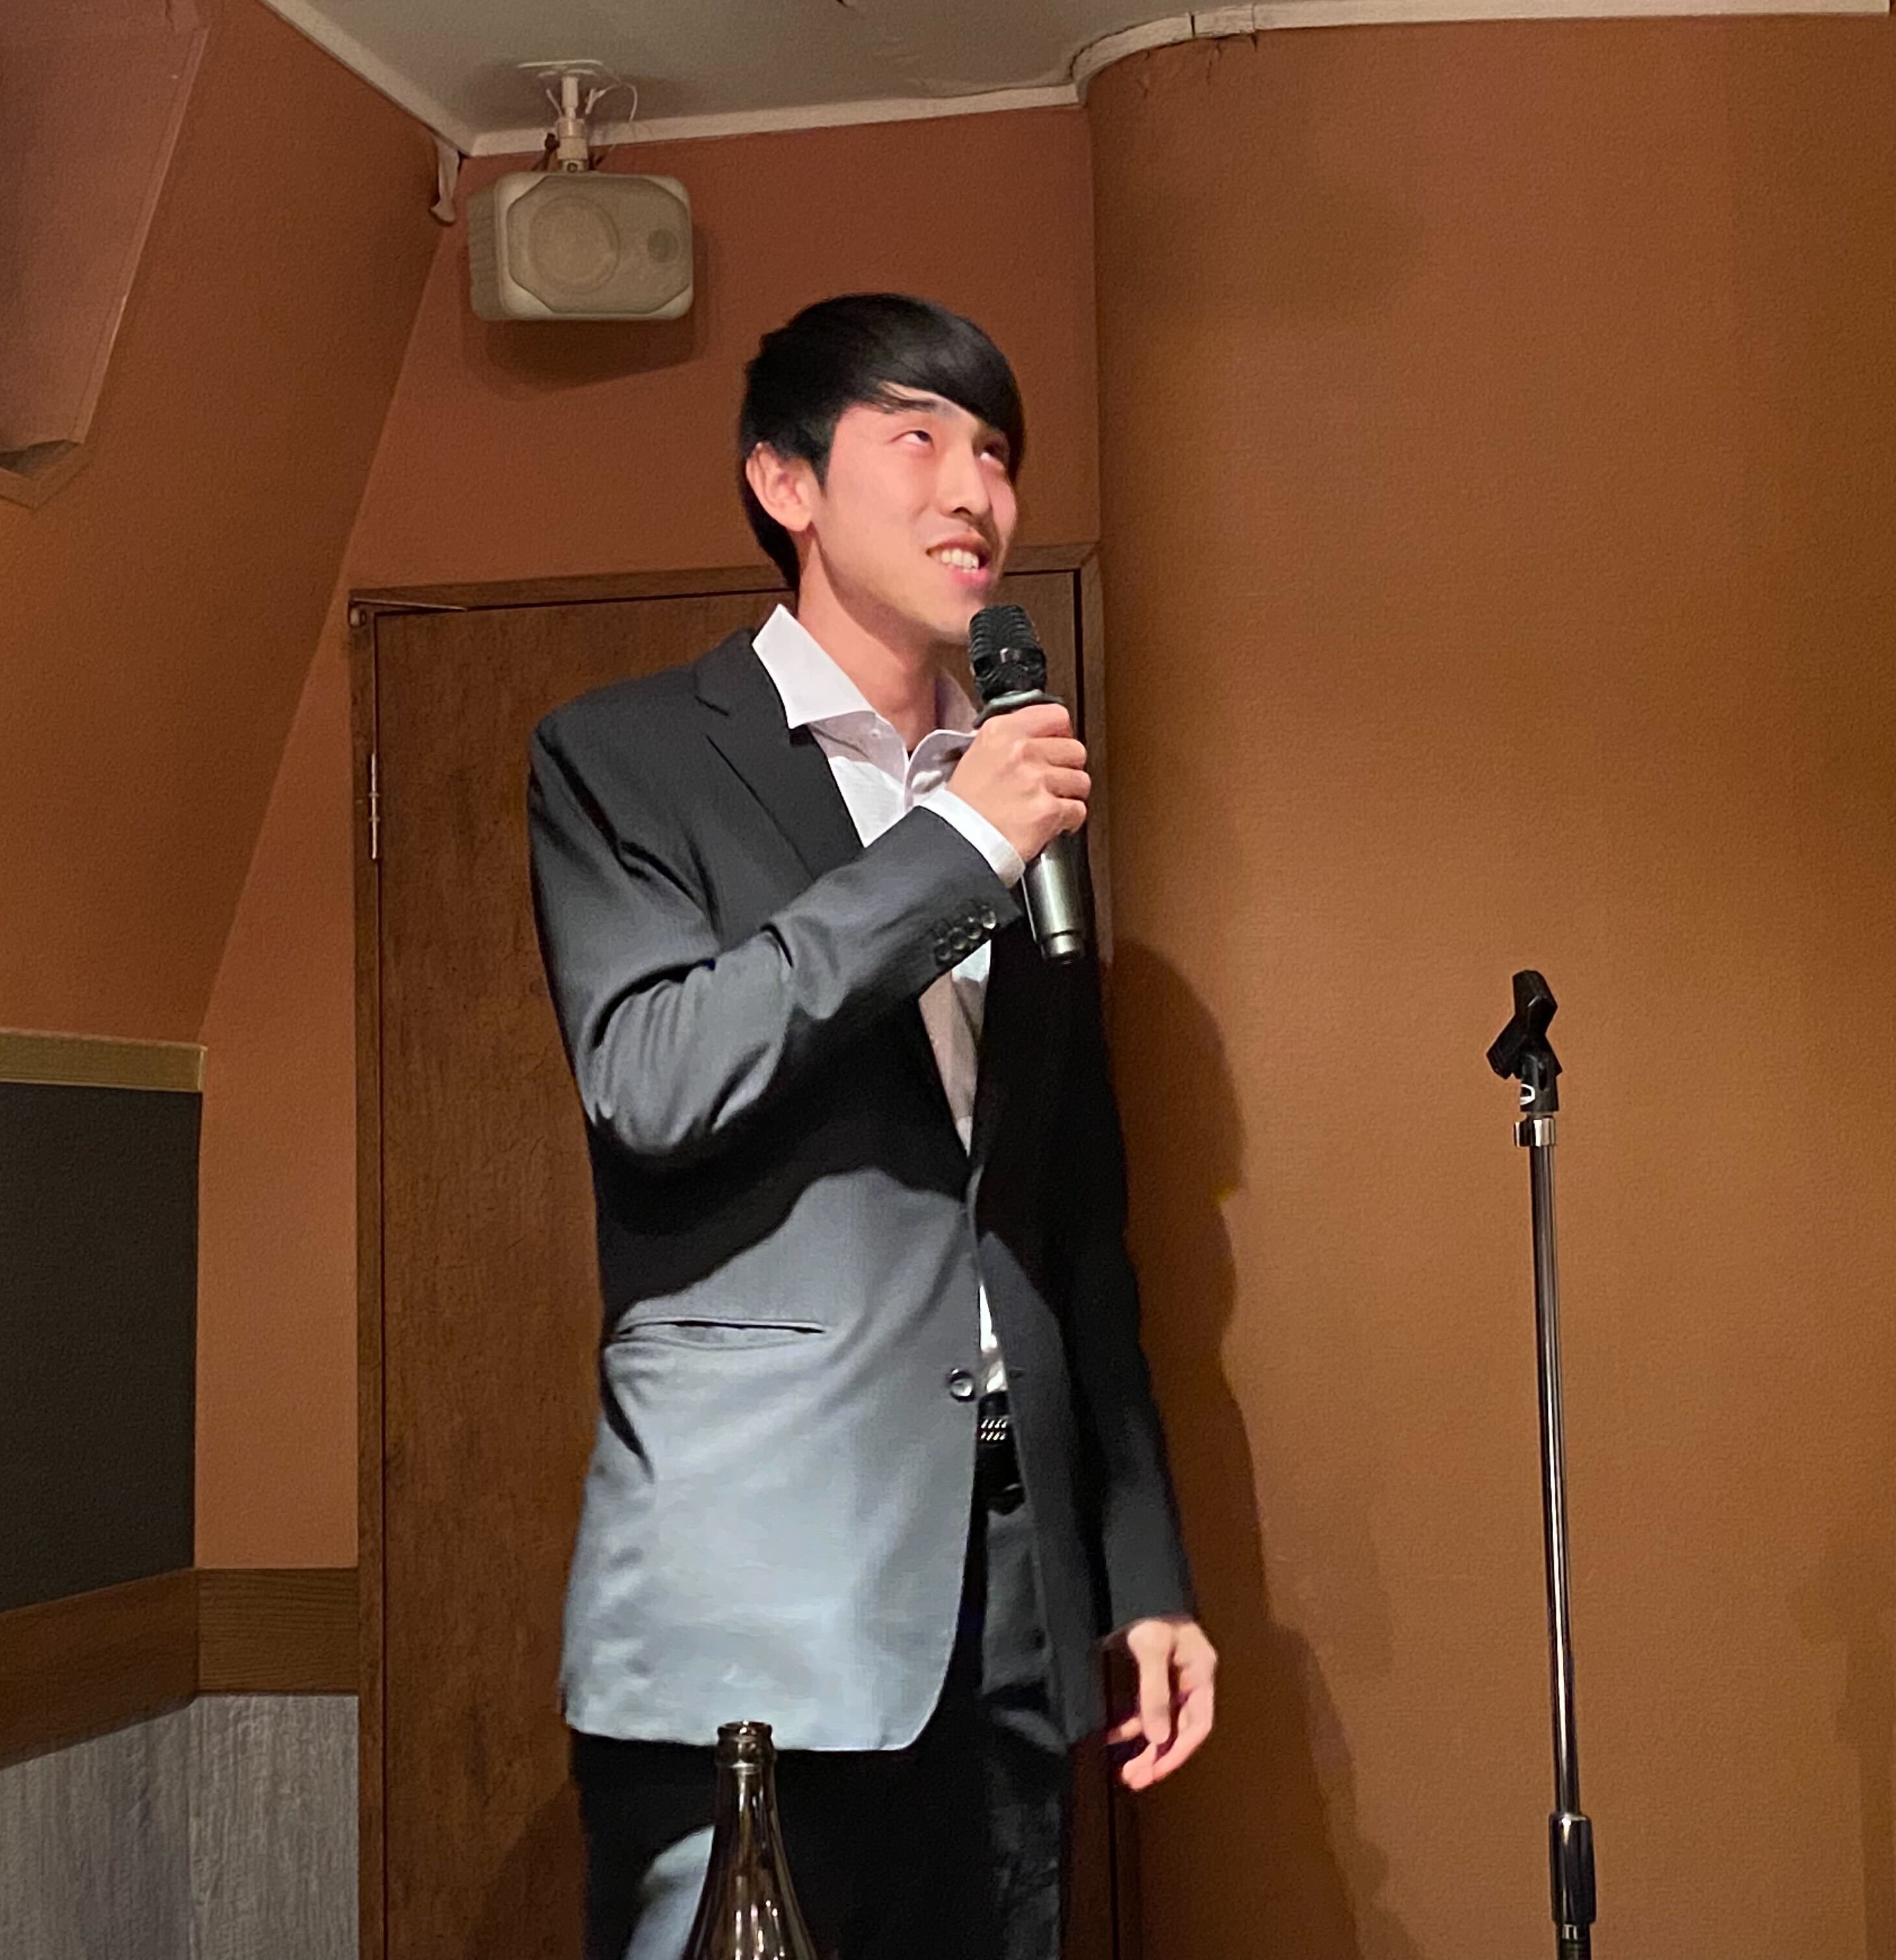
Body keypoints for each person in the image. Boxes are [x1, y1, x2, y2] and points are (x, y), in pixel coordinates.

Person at [525, 292, 1216, 1960]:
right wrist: (951, 852)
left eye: (998, 453)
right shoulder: (624, 758)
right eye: (918, 437)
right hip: (756, 1590)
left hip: (1016, 1592)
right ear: (786, 482)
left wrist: (1140, 1566)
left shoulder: (1022, 793)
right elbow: (654, 1077)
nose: (974, 490)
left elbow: (1072, 1218)